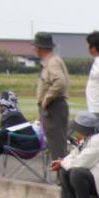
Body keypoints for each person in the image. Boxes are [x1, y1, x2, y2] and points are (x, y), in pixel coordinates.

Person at [34, 31, 70, 166]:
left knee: (57, 146)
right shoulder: (52, 60)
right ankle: (62, 179)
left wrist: (47, 98)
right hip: (54, 107)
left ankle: (62, 180)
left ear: (39, 47)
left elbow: (60, 82)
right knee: (55, 144)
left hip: (54, 107)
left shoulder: (52, 62)